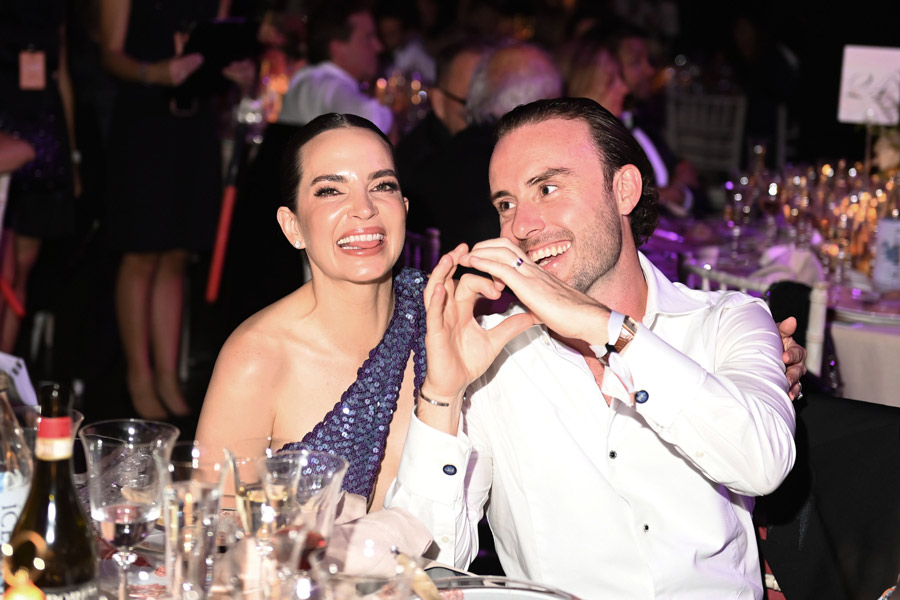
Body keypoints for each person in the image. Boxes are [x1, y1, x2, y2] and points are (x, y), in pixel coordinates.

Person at [385, 98, 798, 598]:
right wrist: (443, 393)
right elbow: (423, 564)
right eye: (506, 203)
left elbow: (763, 464)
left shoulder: (726, 320)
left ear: (623, 190)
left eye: (548, 187)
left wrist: (608, 329)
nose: (521, 225)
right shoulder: (495, 357)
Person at [196, 113, 423, 512]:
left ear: (403, 208)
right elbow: (213, 529)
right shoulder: (258, 356)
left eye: (382, 185)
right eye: (330, 191)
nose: (364, 209)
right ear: (292, 227)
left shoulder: (442, 323)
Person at [0, 2, 79, 354]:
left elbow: (62, 77)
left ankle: (3, 378)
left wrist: (72, 154)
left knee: (20, 273)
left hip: (42, 131)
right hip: (4, 129)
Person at [278, 1, 391, 135]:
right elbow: (370, 126)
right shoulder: (330, 85)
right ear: (337, 48)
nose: (378, 46)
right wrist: (393, 110)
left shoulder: (306, 80)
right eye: (368, 37)